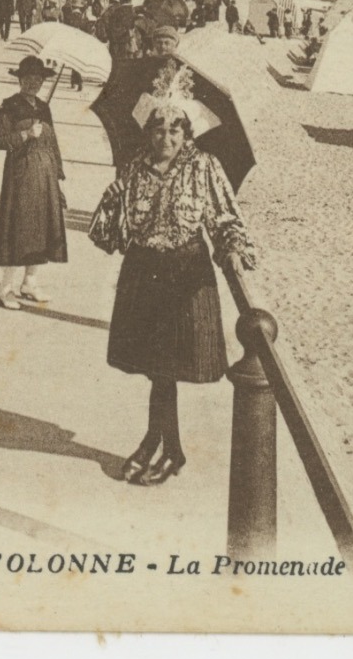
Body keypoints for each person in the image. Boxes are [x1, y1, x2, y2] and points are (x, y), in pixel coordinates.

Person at [88, 61, 256, 486]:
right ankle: (161, 445)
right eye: (159, 129)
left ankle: (163, 448)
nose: (166, 137)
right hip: (143, 274)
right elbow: (105, 233)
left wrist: (233, 251)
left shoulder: (204, 166)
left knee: (166, 369)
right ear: (149, 131)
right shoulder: (133, 168)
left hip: (185, 275)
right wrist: (111, 204)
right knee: (154, 368)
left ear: (187, 133)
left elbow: (226, 219)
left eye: (175, 130)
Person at [0, 56, 69, 311]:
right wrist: (25, 134)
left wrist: (57, 175)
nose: (33, 83)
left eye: (38, 79)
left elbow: (53, 142)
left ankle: (30, 282)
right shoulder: (9, 107)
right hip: (21, 174)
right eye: (28, 79)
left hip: (44, 174)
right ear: (20, 80)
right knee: (19, 229)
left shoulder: (44, 107)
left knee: (41, 228)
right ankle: (6, 287)